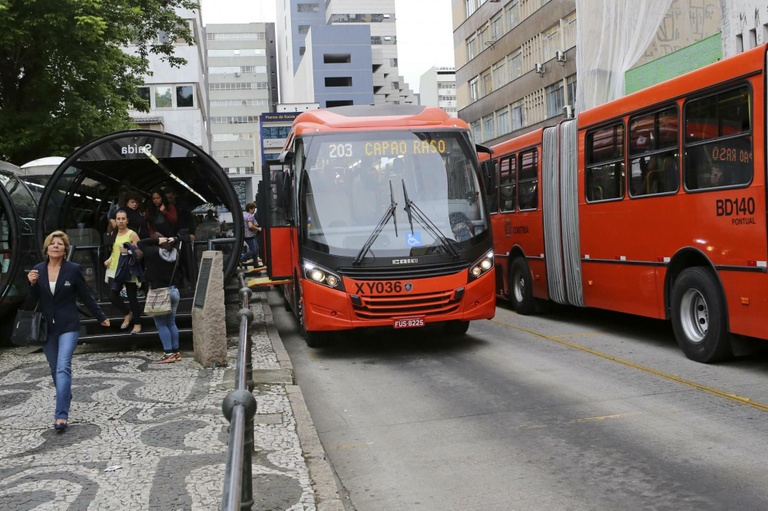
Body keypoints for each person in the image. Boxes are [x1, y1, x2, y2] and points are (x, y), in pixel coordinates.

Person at [26, 231, 110, 431]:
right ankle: (65, 394)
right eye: (52, 244)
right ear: (46, 249)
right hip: (48, 328)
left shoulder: (73, 269)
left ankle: (61, 415)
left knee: (64, 367)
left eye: (60, 244)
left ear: (65, 250)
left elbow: (86, 295)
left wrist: (100, 316)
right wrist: (31, 284)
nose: (56, 246)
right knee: (55, 369)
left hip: (69, 326)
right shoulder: (37, 271)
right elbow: (30, 303)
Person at [138, 235, 183, 363]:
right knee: (172, 322)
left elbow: (141, 243)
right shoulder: (176, 253)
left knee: (161, 324)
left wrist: (156, 240)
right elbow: (180, 238)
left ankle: (168, 353)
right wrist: (173, 239)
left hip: (160, 292)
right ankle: (176, 352)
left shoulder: (153, 253)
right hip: (174, 291)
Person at [104, 210, 143, 334]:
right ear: (115, 220)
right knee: (112, 295)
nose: (120, 221)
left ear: (127, 220)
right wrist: (109, 259)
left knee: (132, 297)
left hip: (127, 268)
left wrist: (128, 252)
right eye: (118, 219)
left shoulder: (132, 234)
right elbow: (114, 251)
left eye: (123, 219)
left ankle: (137, 323)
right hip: (114, 268)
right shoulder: (113, 233)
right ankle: (127, 313)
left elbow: (140, 253)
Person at [241, 202, 261, 266]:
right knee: (253, 250)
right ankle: (241, 259)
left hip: (246, 235)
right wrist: (258, 229)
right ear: (250, 209)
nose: (254, 210)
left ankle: (256, 263)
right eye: (253, 209)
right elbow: (250, 226)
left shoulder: (244, 215)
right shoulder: (249, 216)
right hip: (249, 236)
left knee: (256, 248)